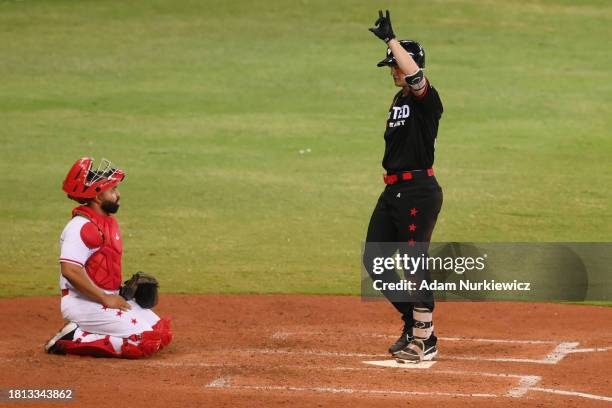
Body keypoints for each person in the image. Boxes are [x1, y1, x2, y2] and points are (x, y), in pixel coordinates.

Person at [364, 10, 444, 362]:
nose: (392, 71)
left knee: (413, 261)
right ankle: (413, 322)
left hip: (418, 191)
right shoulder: (398, 101)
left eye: (394, 64)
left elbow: (416, 77)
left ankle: (425, 339)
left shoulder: (427, 100)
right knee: (376, 261)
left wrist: (391, 40)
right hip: (393, 192)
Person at [44, 157, 172, 358]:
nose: (118, 195)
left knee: (160, 334)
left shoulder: (107, 222)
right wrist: (104, 297)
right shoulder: (80, 227)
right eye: (112, 191)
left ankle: (89, 331)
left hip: (104, 298)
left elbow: (99, 266)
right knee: (142, 342)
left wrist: (119, 292)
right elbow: (70, 270)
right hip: (83, 303)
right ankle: (74, 336)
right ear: (97, 197)